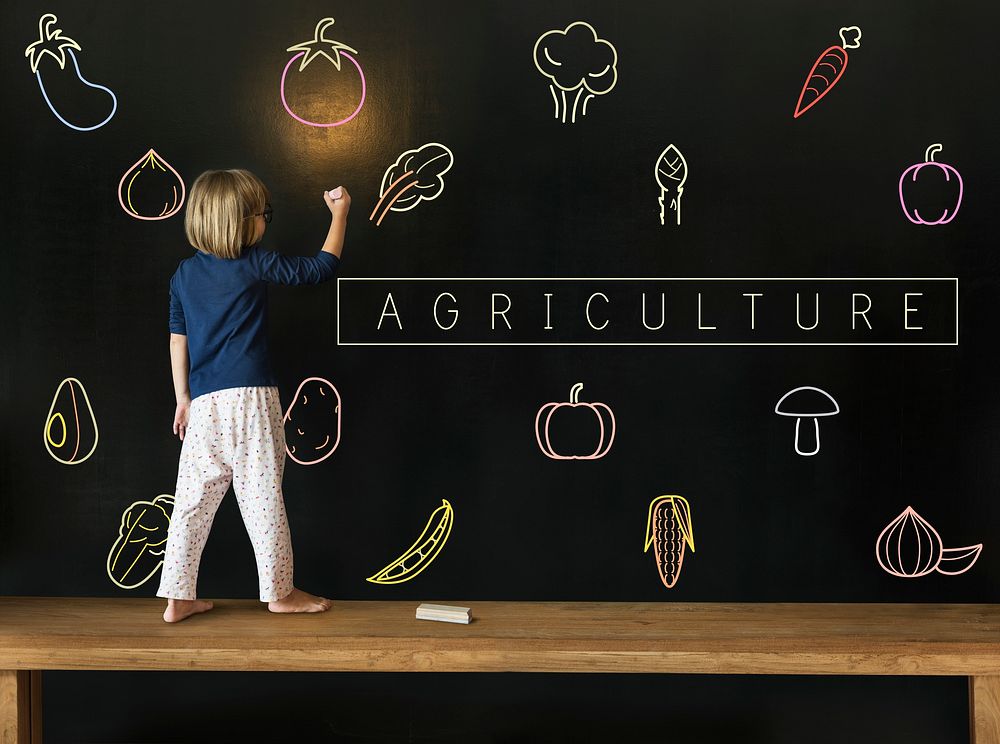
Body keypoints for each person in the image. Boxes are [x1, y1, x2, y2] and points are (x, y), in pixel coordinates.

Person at [155, 169, 350, 623]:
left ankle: (177, 597)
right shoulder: (253, 262)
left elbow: (176, 341)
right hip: (253, 401)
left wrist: (182, 398)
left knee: (191, 503)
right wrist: (340, 214)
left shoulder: (183, 275)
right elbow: (321, 268)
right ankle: (279, 592)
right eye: (263, 214)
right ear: (240, 223)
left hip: (203, 406)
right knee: (262, 498)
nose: (267, 221)